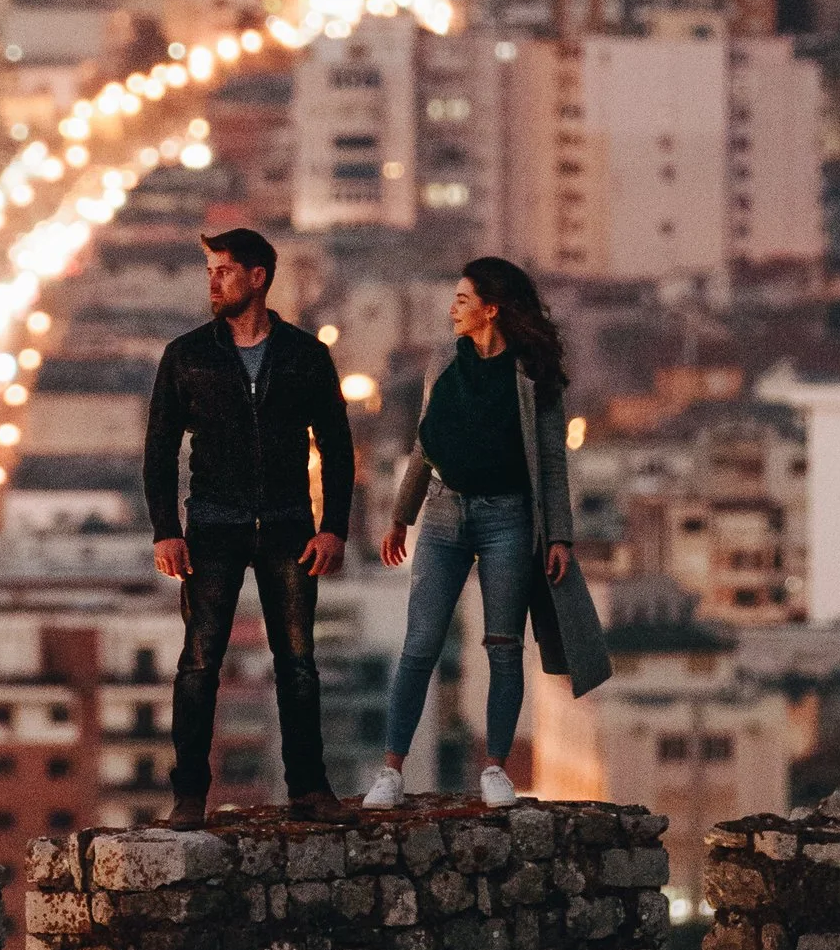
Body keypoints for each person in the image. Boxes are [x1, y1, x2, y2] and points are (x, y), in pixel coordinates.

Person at [142, 225, 354, 828]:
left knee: (298, 662)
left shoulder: (306, 355)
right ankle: (189, 796)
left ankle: (309, 791)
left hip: (290, 524)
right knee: (199, 662)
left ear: (258, 277)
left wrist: (333, 527)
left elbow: (337, 448)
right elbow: (158, 450)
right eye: (210, 271)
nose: (213, 281)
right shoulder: (187, 355)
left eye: (225, 270)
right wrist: (165, 529)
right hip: (212, 523)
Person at [366, 256, 585, 812]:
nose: (452, 309)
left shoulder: (533, 374)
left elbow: (553, 462)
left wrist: (559, 536)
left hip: (509, 517)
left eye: (463, 300)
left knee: (504, 647)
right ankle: (390, 772)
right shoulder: (443, 362)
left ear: (491, 310)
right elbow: (424, 444)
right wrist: (401, 515)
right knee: (420, 645)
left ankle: (496, 769)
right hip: (442, 514)